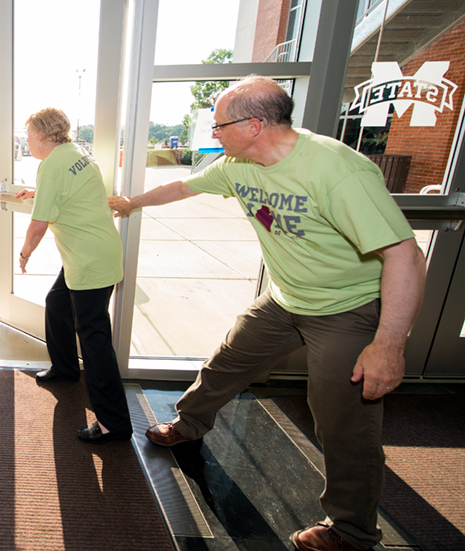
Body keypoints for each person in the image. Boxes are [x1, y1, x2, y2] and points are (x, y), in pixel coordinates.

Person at [108, 76, 426, 551]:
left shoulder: (337, 170)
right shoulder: (239, 166)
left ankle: (352, 531)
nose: (213, 134)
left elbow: (404, 253)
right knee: (226, 363)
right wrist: (133, 203)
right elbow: (180, 187)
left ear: (254, 124)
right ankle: (190, 424)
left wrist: (388, 343)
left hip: (348, 308)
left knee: (343, 422)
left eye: (219, 126)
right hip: (286, 299)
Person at [15, 107, 131, 445]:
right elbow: (72, 191)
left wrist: (24, 254)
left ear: (41, 136)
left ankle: (114, 423)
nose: (27, 141)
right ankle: (65, 369)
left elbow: (38, 226)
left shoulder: (51, 165)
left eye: (28, 135)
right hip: (95, 252)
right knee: (57, 302)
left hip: (88, 263)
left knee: (95, 343)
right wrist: (37, 193)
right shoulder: (77, 153)